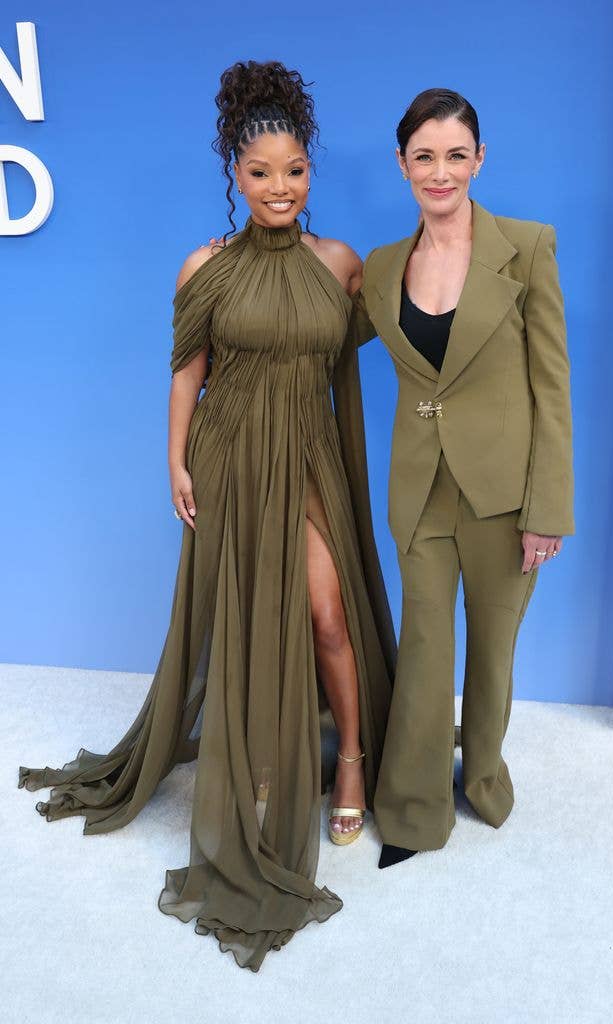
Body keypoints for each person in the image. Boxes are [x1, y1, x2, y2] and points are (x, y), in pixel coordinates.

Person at [18, 60, 395, 971]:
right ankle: (256, 774)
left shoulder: (340, 265)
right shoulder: (206, 267)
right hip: (228, 461)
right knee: (244, 618)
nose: (279, 187)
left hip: (307, 459)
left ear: (311, 171)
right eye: (261, 171)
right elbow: (188, 371)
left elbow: (384, 351)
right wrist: (174, 460)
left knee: (327, 615)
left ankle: (347, 760)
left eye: (295, 170)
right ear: (234, 172)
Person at [353, 88, 575, 868]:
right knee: (423, 649)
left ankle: (481, 778)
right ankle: (412, 812)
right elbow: (313, 336)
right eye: (424, 156)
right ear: (403, 164)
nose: (439, 171)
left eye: (456, 155)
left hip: (507, 496)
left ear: (479, 160)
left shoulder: (527, 246)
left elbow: (553, 386)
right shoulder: (381, 269)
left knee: (493, 650)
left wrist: (547, 508)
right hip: (419, 492)